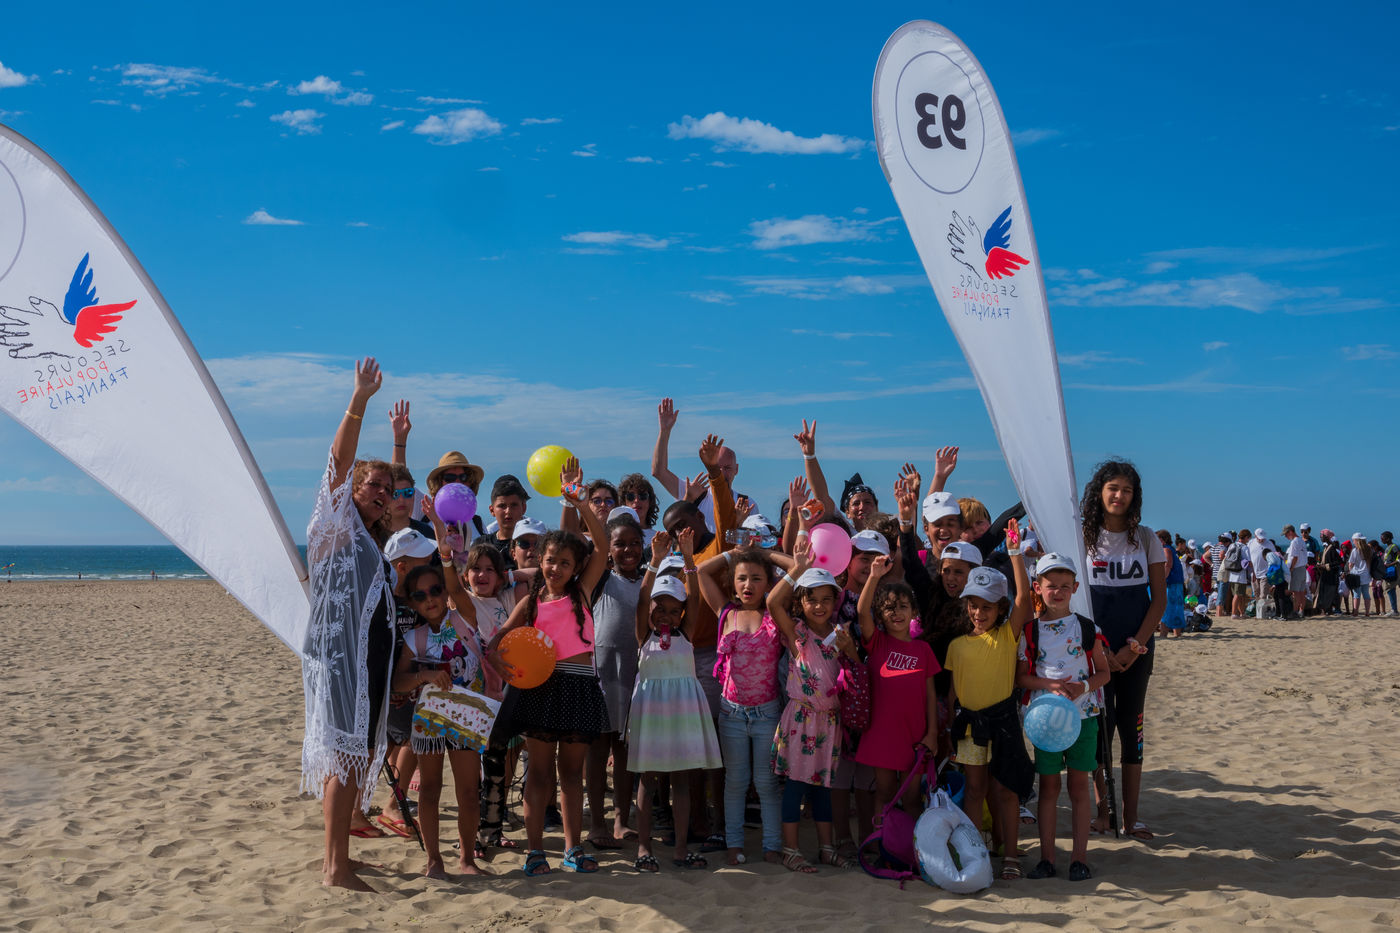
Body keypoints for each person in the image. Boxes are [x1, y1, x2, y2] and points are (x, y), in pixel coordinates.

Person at [485, 458, 611, 877]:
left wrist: (578, 501)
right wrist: (505, 668)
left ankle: (573, 849)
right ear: (540, 560)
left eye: (565, 563)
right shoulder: (530, 602)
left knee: (572, 775)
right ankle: (535, 851)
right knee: (539, 775)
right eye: (550, 560)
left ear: (576, 569)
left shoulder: (583, 592)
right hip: (539, 689)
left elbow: (602, 547)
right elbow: (496, 643)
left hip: (579, 686)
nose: (556, 568)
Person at [301, 357, 398, 891]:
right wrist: (359, 400)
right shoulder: (334, 526)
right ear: (351, 490)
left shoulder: (371, 540)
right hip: (343, 663)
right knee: (343, 757)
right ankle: (334, 867)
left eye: (388, 488)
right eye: (372, 484)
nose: (381, 492)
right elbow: (337, 463)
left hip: (368, 664)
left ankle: (342, 855)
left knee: (354, 758)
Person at [628, 529, 724, 872]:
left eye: (673, 610)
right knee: (648, 779)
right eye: (660, 608)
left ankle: (681, 848)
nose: (665, 615)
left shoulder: (686, 634)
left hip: (683, 712)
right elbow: (642, 601)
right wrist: (654, 561)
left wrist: (688, 559)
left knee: (682, 780)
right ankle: (644, 847)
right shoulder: (644, 636)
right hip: (651, 713)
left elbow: (695, 599)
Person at [1081, 460, 1165, 843]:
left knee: (1132, 729)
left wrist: (1135, 648)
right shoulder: (1082, 537)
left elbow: (1158, 601)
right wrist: (1100, 647)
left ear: (1135, 496)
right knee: (1101, 730)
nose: (1119, 495)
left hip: (1136, 650)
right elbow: (1076, 600)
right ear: (1100, 492)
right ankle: (1104, 814)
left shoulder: (1146, 538)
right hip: (1093, 650)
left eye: (1127, 490)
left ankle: (1131, 818)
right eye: (1113, 488)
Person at [945, 524, 1034, 881]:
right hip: (969, 729)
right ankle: (975, 854)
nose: (979, 613)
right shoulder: (956, 646)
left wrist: (1015, 554)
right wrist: (947, 729)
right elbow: (953, 694)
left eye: (987, 607)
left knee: (1006, 790)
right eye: (974, 606)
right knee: (974, 790)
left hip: (1004, 725)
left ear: (1000, 608)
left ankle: (1010, 855)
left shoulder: (1008, 636)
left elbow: (1024, 598)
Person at [767, 532, 860, 873]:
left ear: (835, 601)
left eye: (826, 599)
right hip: (801, 721)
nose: (819, 606)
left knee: (823, 789)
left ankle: (826, 848)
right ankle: (791, 849)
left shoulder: (841, 634)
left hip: (830, 723)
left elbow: (856, 671)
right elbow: (773, 603)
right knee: (795, 787)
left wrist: (850, 651)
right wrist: (797, 569)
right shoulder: (798, 634)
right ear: (801, 602)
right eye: (812, 600)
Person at [389, 564, 489, 879]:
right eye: (420, 596)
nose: (430, 599)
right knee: (430, 788)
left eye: (435, 590)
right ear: (411, 603)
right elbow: (397, 683)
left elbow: (457, 587)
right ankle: (434, 861)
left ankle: (467, 859)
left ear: (445, 592)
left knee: (469, 791)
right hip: (429, 717)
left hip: (468, 712)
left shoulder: (465, 618)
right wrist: (424, 675)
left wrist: (445, 556)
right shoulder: (413, 638)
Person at [1017, 553, 1111, 882]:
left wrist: (1082, 687)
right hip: (1045, 724)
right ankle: (1046, 859)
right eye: (1050, 586)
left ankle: (1079, 859)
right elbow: (1021, 678)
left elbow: (1104, 673)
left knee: (1078, 787)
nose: (1057, 592)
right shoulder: (1030, 632)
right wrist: (1049, 685)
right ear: (1037, 588)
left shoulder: (1087, 628)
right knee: (1048, 788)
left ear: (1075, 588)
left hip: (1083, 719)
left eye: (1064, 586)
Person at [698, 545, 788, 866]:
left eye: (757, 578)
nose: (748, 585)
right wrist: (732, 554)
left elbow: (800, 569)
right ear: (733, 583)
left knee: (766, 783)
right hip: (732, 713)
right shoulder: (725, 612)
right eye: (742, 578)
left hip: (767, 713)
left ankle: (772, 845)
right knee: (735, 781)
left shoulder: (776, 613)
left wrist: (765, 553)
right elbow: (702, 571)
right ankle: (734, 844)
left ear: (769, 582)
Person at [852, 555, 939, 816]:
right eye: (889, 608)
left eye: (902, 606)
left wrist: (932, 733)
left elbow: (931, 696)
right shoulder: (877, 642)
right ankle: (882, 840)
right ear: (880, 616)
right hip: (883, 734)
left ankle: (910, 843)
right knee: (885, 793)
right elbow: (861, 611)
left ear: (914, 612)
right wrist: (874, 576)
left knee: (912, 799)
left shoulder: (923, 649)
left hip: (915, 737)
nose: (896, 612)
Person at [585, 511, 646, 850]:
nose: (628, 550)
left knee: (625, 749)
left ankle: (622, 820)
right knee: (598, 749)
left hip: (634, 673)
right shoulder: (602, 579)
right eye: (620, 544)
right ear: (608, 548)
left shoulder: (649, 579)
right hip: (603, 673)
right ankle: (597, 823)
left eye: (635, 543)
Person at [484, 474, 531, 569]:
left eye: (514, 505)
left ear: (524, 507)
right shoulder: (483, 544)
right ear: (492, 510)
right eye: (502, 506)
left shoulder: (535, 542)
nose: (508, 511)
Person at [1157, 529, 1186, 636]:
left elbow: (1167, 565)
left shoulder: (1166, 549)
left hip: (1170, 583)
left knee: (1167, 608)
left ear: (1162, 540)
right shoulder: (1171, 549)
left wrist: (1161, 580)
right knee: (1176, 608)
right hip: (1176, 582)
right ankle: (1177, 633)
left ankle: (1164, 633)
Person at [1283, 525, 1309, 619]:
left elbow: (1295, 557)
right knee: (1301, 592)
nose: (1286, 536)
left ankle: (1295, 612)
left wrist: (1290, 569)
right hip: (1303, 568)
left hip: (1297, 568)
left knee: (1296, 592)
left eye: (1286, 534)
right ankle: (1301, 611)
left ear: (1290, 532)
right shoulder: (1301, 540)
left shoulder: (1294, 542)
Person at [1347, 534, 1374, 617]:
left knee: (1356, 595)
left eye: (1354, 540)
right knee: (1366, 594)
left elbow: (1350, 564)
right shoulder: (1369, 550)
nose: (1353, 542)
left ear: (1357, 541)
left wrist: (1350, 571)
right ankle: (1367, 612)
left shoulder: (1355, 551)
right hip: (1366, 575)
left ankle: (1356, 612)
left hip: (1356, 575)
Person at [1382, 532, 1399, 616]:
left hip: (1392, 570)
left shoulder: (1394, 547)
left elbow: (1399, 558)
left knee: (1390, 589)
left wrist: (1389, 565)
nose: (1381, 540)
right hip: (1389, 570)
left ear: (1388, 539)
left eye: (1383, 538)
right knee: (1390, 589)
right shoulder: (1388, 547)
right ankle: (1394, 609)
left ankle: (1394, 610)